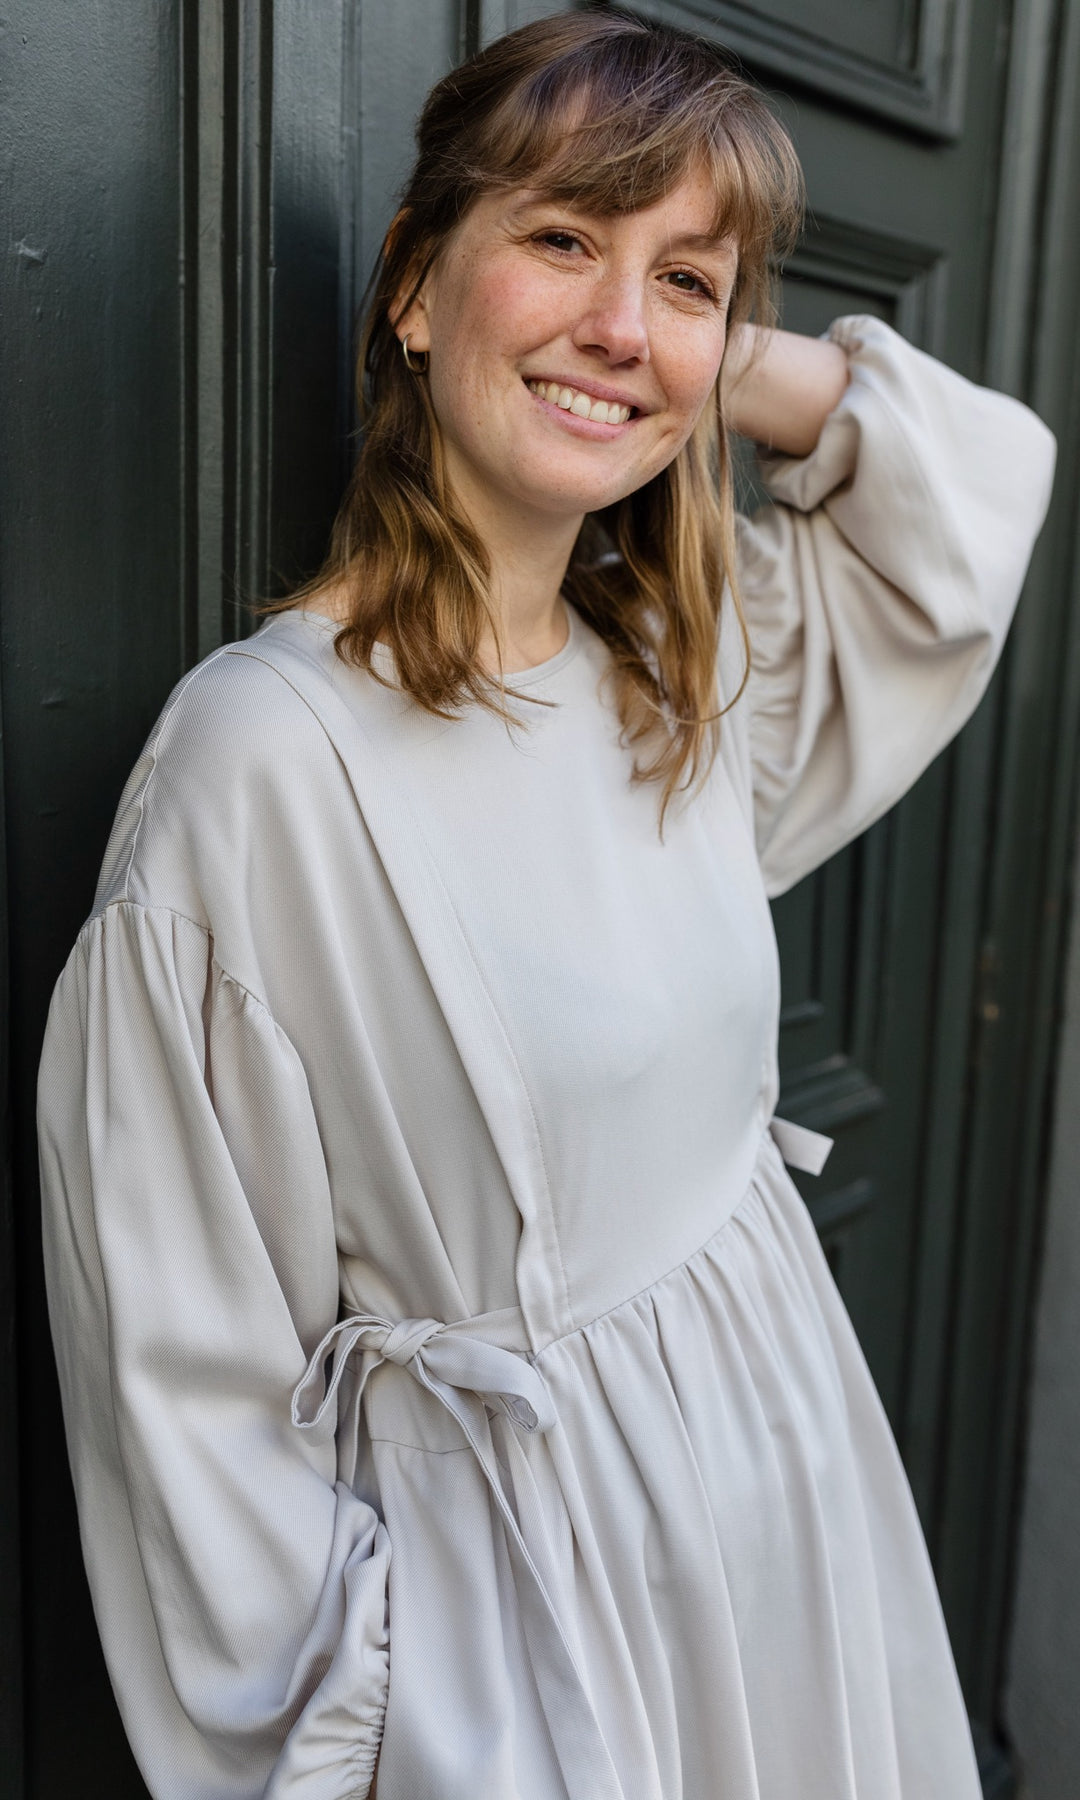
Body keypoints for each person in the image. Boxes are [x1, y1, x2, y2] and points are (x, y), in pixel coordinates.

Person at [36, 12, 1056, 1800]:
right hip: (533, 1635)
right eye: (565, 238)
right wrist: (383, 1725)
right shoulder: (262, 768)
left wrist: (681, 360)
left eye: (688, 274)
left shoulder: (671, 677)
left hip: (792, 1511)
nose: (618, 317)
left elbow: (971, 483)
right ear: (415, 284)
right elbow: (179, 1382)